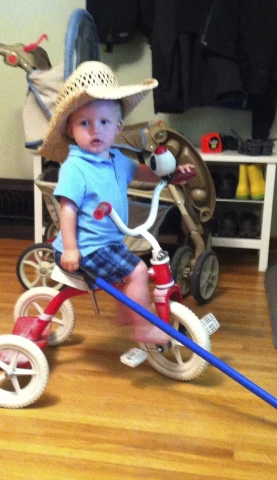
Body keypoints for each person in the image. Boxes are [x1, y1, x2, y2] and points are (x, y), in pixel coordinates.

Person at [38, 61, 194, 345]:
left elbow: (142, 173)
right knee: (135, 270)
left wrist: (169, 177)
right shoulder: (75, 167)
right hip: (84, 249)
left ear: (118, 127)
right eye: (85, 123)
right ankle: (143, 328)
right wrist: (71, 249)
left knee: (130, 269)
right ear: (71, 130)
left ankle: (127, 313)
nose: (95, 130)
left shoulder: (116, 159)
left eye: (104, 122)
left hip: (107, 244)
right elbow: (67, 209)